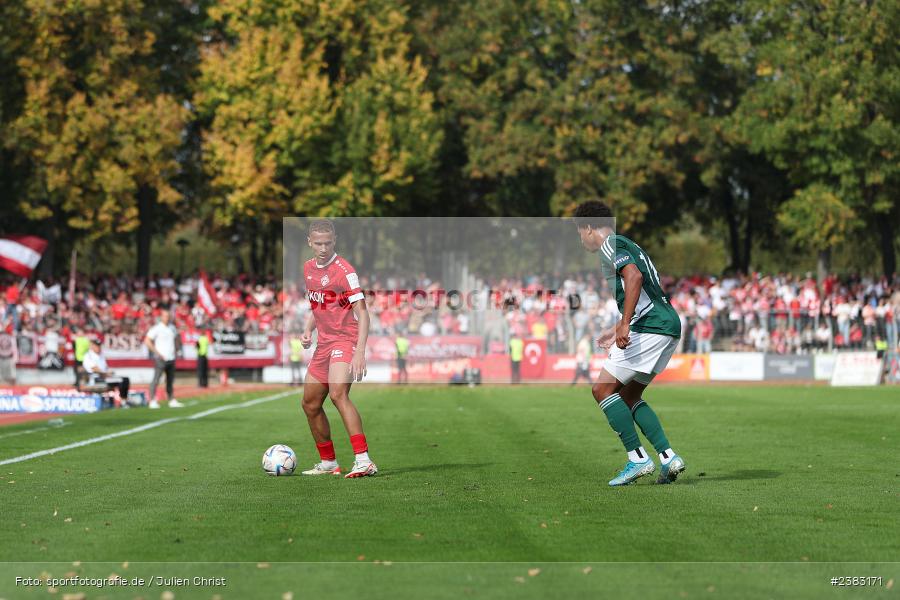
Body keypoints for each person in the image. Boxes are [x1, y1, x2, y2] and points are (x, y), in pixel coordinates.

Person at [574, 200, 685, 486]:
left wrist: (625, 324)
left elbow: (634, 277)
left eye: (579, 233)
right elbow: (645, 289)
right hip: (666, 326)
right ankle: (668, 457)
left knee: (602, 390)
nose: (580, 239)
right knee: (629, 397)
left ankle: (637, 459)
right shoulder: (625, 245)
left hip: (651, 327)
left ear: (588, 228)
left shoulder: (610, 245)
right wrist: (617, 327)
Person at [299, 219, 377, 478]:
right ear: (310, 242)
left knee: (337, 395)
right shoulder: (308, 268)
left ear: (335, 241)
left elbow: (363, 314)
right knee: (309, 404)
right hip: (324, 343)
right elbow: (318, 304)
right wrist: (309, 328)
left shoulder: (345, 270)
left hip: (345, 340)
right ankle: (328, 462)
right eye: (318, 243)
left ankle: (364, 460)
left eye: (328, 242)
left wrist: (359, 352)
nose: (323, 248)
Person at [144, 310, 183, 408]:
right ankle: (152, 400)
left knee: (170, 380)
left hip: (171, 357)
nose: (167, 318)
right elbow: (147, 340)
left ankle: (171, 399)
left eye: (168, 316)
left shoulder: (172, 328)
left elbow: (177, 339)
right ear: (161, 317)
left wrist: (177, 349)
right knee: (156, 379)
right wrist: (156, 352)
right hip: (161, 358)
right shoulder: (157, 328)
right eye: (165, 316)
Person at [81, 338, 130, 404]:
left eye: (99, 346)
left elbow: (105, 367)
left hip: (104, 377)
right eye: (97, 345)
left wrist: (109, 373)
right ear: (92, 346)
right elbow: (95, 369)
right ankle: (124, 402)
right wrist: (106, 373)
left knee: (125, 379)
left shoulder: (101, 355)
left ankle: (124, 400)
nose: (99, 347)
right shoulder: (88, 356)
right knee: (122, 380)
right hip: (95, 378)